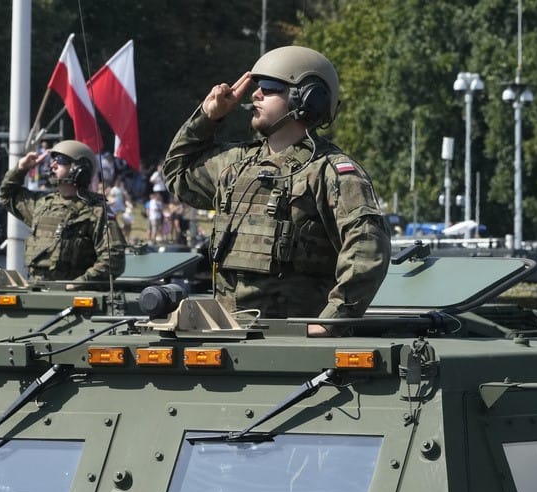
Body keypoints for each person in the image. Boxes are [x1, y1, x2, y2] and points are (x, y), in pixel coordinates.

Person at [163, 45, 391, 335]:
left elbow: (368, 249)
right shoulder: (235, 164)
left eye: (269, 88)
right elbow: (177, 174)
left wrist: (331, 320)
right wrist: (207, 119)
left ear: (306, 98)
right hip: (227, 335)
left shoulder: (330, 171)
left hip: (293, 343)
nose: (255, 94)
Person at [0, 139, 126, 289]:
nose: (52, 165)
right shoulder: (42, 205)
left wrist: (79, 284)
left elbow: (114, 259)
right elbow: (7, 196)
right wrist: (20, 169)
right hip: (37, 292)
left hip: (75, 299)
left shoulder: (96, 210)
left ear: (79, 168)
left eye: (60, 160)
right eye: (53, 160)